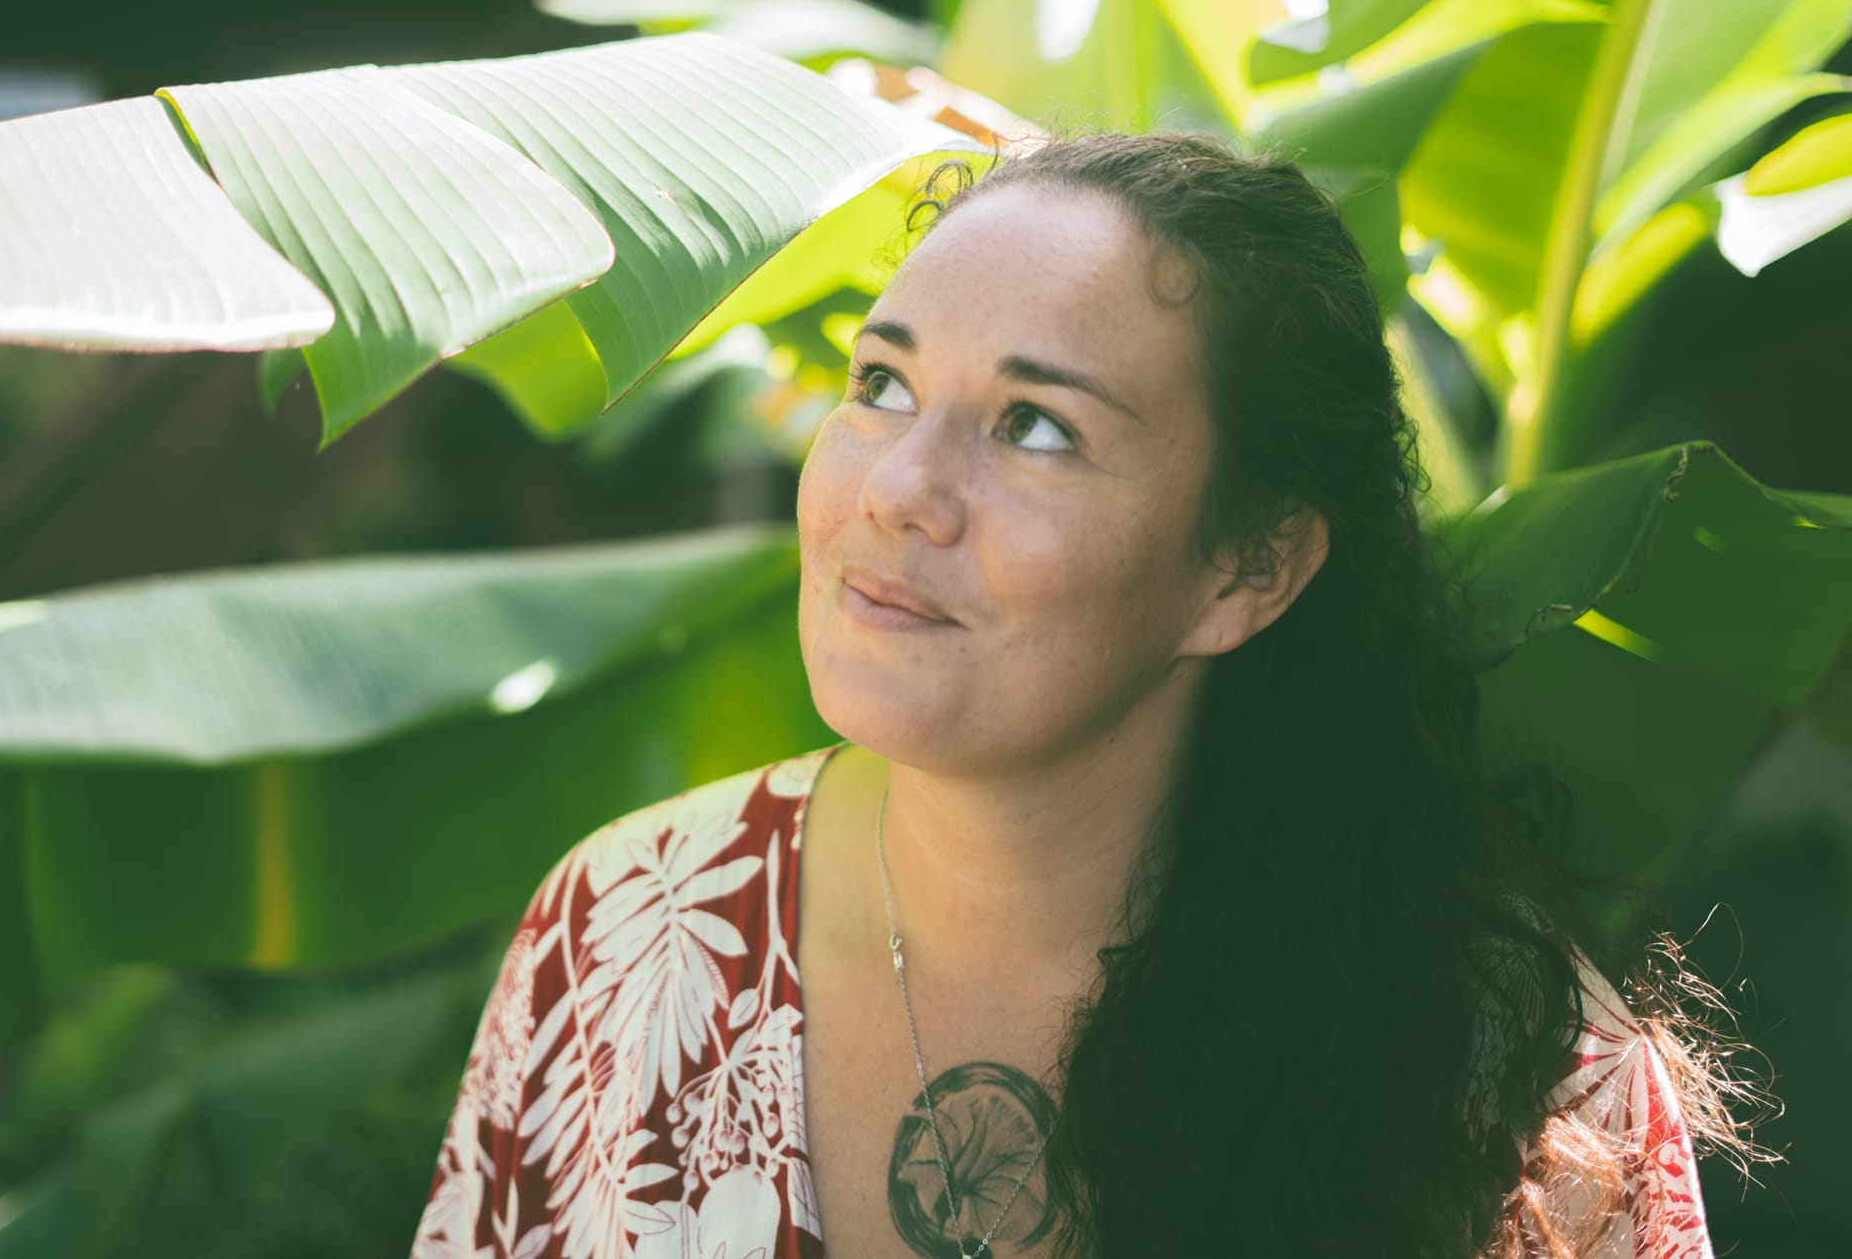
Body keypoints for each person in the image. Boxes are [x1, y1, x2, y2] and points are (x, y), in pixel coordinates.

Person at [409, 132, 1759, 1259]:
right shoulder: (625, 940)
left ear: (1249, 567)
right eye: (881, 384)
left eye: (1036, 427)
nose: (899, 489)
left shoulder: (1515, 1083)